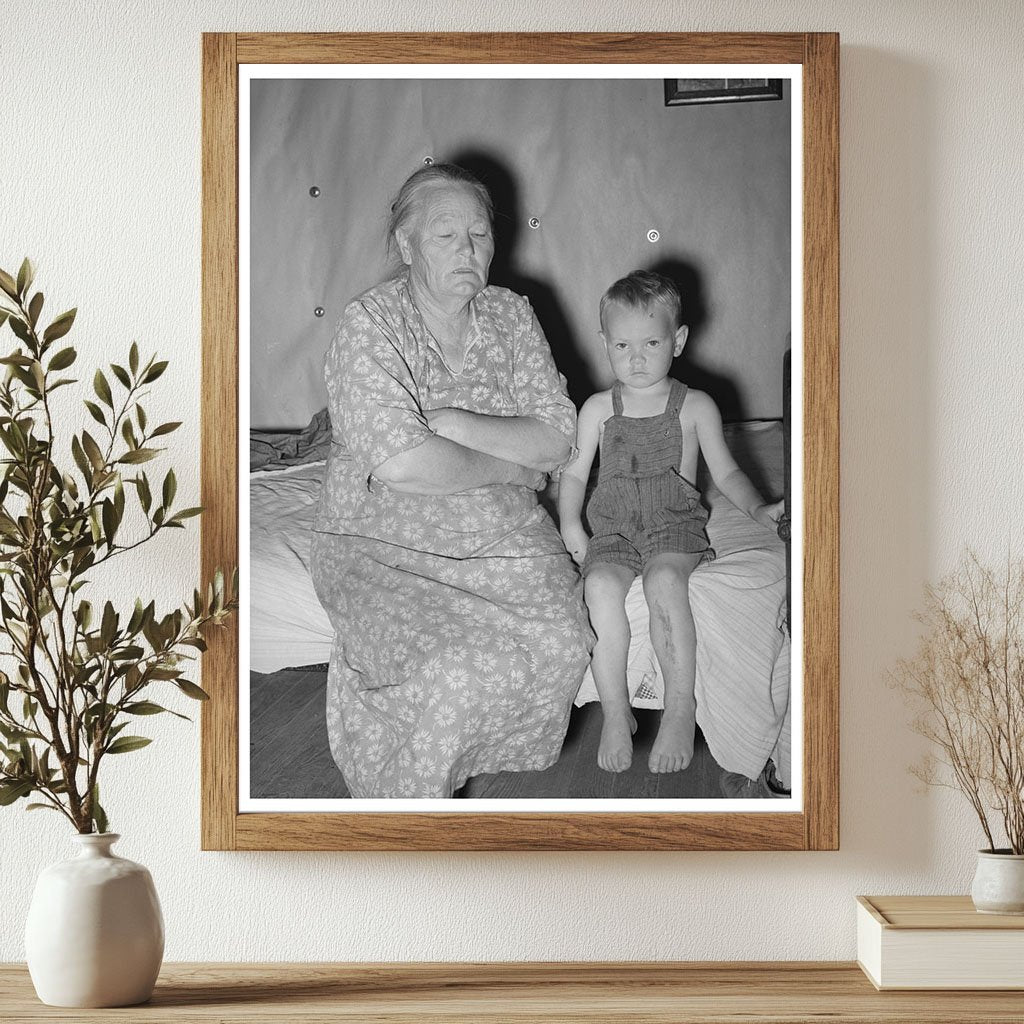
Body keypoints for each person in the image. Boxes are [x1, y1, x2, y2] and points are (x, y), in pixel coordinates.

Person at [311, 163, 592, 798]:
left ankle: (465, 766)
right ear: (406, 245)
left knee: (563, 643)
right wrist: (513, 464)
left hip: (504, 536)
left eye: (480, 234)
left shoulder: (512, 314)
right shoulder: (371, 322)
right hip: (384, 542)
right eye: (445, 235)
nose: (468, 250)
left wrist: (457, 425)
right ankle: (407, 808)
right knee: (449, 673)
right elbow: (401, 462)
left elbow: (558, 436)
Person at [558, 270, 783, 775]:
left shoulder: (695, 405)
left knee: (663, 579)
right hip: (614, 528)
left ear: (678, 341)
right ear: (604, 343)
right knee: (599, 588)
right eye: (622, 345)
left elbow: (727, 472)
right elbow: (574, 473)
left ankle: (681, 706)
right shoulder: (597, 409)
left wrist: (757, 510)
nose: (636, 358)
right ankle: (617, 710)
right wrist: (572, 524)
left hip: (672, 524)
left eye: (652, 343)